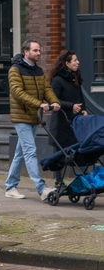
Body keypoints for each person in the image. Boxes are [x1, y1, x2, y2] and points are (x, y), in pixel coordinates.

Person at [5, 39, 61, 201]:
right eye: (35, 50)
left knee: (21, 153)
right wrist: (40, 104)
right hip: (21, 116)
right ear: (26, 52)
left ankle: (10, 186)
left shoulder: (38, 70)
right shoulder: (15, 70)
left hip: (34, 117)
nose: (38, 53)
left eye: (39, 51)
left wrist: (54, 101)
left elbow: (46, 89)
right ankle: (41, 188)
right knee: (30, 151)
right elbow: (17, 93)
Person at [47, 50, 88, 188]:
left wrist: (83, 111)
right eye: (75, 60)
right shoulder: (57, 80)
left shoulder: (75, 77)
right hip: (61, 123)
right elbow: (53, 100)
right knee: (59, 155)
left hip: (76, 123)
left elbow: (80, 98)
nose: (78, 62)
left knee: (81, 151)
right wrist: (71, 106)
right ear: (67, 63)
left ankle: (83, 180)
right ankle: (59, 183)